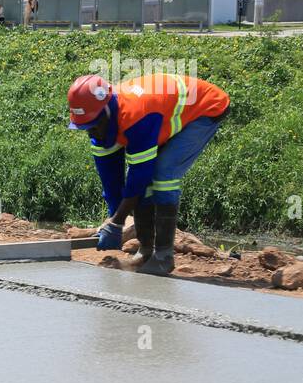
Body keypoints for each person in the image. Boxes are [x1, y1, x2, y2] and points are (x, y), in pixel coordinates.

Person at [66, 73, 231, 275]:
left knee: (163, 174)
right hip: (163, 114)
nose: (90, 132)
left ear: (106, 112)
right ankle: (145, 252)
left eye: (92, 125)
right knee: (140, 181)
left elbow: (140, 176)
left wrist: (118, 221)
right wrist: (113, 221)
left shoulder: (136, 116)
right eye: (84, 127)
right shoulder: (100, 130)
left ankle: (163, 257)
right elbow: (112, 183)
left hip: (204, 108)